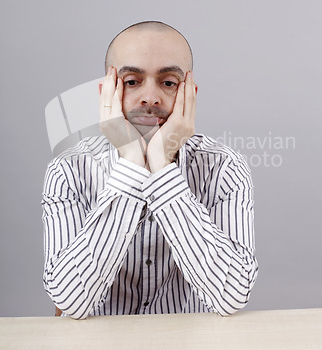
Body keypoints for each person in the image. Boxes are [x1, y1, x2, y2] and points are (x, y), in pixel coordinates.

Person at [42, 21, 258, 320]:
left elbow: (231, 295)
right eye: (132, 81)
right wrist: (131, 164)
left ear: (190, 94)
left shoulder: (223, 167)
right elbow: (71, 301)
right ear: (106, 93)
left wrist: (162, 166)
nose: (151, 98)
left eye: (168, 83)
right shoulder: (68, 170)